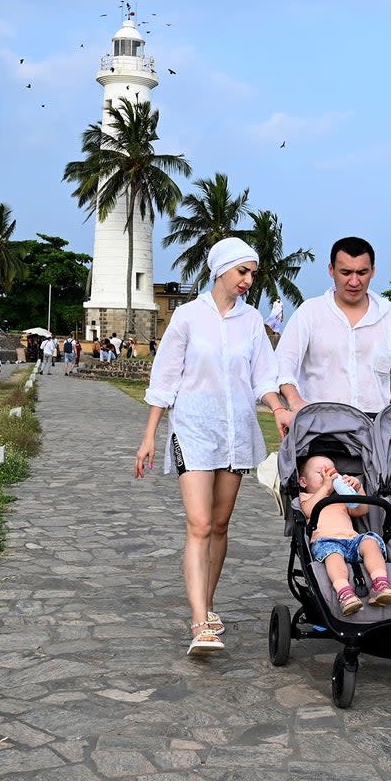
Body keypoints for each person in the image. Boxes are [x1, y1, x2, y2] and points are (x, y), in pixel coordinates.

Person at [134, 237, 289, 657]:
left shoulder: (252, 321)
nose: (248, 280)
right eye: (243, 272)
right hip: (192, 429)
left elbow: (263, 377)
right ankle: (200, 620)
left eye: (253, 274)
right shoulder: (186, 317)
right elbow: (164, 378)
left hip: (236, 433)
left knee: (220, 526)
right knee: (199, 524)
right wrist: (150, 435)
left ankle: (209, 603)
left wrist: (277, 407)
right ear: (221, 269)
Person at [276, 236, 391, 417]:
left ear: (373, 271)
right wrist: (294, 400)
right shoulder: (310, 312)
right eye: (346, 272)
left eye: (362, 273)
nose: (354, 282)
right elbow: (284, 362)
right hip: (319, 422)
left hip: (374, 426)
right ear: (331, 270)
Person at [297, 455, 391, 615]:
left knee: (370, 541)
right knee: (333, 556)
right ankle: (345, 592)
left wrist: (357, 490)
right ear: (303, 482)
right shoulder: (306, 498)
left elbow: (361, 510)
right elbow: (308, 511)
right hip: (327, 542)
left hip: (351, 540)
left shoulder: (340, 498)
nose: (327, 475)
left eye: (331, 471)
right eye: (320, 472)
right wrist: (325, 488)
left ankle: (381, 583)